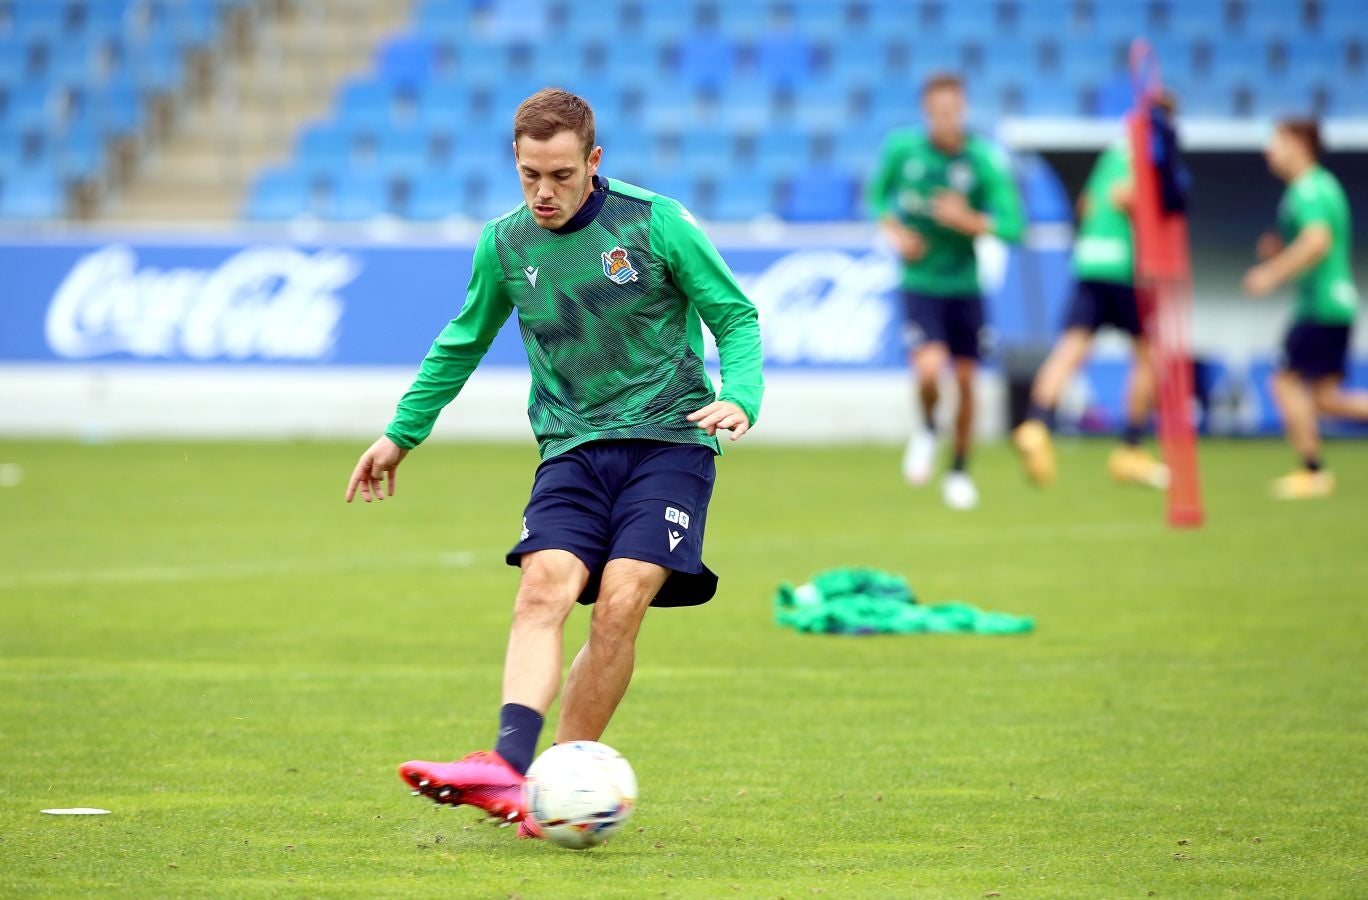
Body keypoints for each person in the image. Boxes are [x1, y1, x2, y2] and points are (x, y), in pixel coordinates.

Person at [344, 88, 764, 836]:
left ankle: (562, 778)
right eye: (531, 175)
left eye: (562, 175)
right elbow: (461, 341)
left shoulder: (655, 222)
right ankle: (508, 769)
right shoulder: (504, 245)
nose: (545, 192)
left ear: (593, 161)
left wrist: (744, 395)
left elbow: (733, 314)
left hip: (671, 441)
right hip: (570, 446)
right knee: (544, 584)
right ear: (515, 160)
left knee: (621, 602)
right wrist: (401, 435)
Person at [865, 72, 1025, 510]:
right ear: (926, 113)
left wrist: (969, 220)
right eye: (937, 111)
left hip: (965, 285)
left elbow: (1014, 226)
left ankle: (958, 471)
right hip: (921, 283)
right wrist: (896, 233)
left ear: (964, 111)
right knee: (930, 370)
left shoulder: (982, 159)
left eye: (952, 110)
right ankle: (929, 428)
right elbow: (876, 196)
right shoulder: (903, 149)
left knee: (969, 381)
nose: (945, 119)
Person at [1012, 99, 1177, 490]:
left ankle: (1036, 424)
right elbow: (1138, 203)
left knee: (1070, 348)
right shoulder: (1152, 157)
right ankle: (1131, 447)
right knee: (1149, 356)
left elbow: (1086, 205)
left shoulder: (1112, 155)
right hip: (1126, 269)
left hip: (1089, 262)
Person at [1243, 118, 1367, 499]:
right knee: (1325, 398)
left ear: (1300, 144)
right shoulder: (1317, 186)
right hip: (1334, 302)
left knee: (1284, 382)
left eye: (1276, 141)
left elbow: (1317, 241)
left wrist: (1271, 273)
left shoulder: (1309, 188)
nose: (1270, 150)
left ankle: (1312, 470)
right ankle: (1311, 470)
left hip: (1321, 304)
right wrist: (1280, 250)